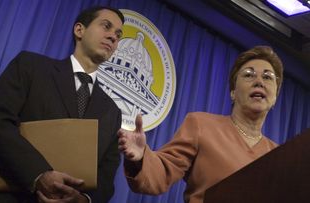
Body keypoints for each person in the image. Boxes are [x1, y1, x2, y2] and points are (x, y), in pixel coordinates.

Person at [0, 6, 124, 203]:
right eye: (106, 26)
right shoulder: (30, 66)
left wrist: (83, 199)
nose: (113, 37)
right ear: (79, 30)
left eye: (118, 34)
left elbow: (106, 176)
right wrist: (39, 175)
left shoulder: (112, 112)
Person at [118, 46, 283, 203]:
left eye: (268, 77)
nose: (259, 81)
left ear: (275, 97)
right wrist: (141, 158)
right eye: (249, 75)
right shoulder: (201, 126)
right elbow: (162, 171)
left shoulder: (280, 156)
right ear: (233, 92)